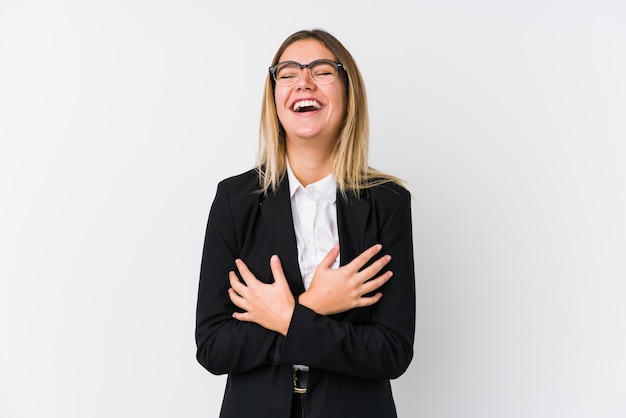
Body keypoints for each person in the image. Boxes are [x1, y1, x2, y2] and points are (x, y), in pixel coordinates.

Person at [195, 28, 416, 418]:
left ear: (348, 92)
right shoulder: (235, 200)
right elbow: (214, 347)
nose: (304, 82)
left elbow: (392, 352)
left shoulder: (388, 202)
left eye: (322, 70)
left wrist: (285, 318)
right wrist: (314, 305)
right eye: (288, 72)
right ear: (275, 96)